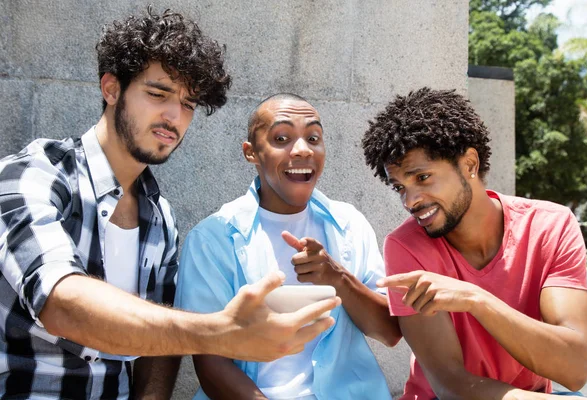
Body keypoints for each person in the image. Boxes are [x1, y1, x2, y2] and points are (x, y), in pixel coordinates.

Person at [0, 9, 339, 400]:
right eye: (158, 94)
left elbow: (155, 357)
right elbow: (61, 302)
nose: (174, 117)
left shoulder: (159, 217)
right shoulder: (33, 175)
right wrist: (220, 333)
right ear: (111, 89)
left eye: (188, 103)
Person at [361, 87, 587, 400]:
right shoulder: (406, 247)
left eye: (423, 178)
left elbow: (575, 368)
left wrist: (476, 299)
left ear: (469, 164)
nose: (410, 200)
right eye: (399, 187)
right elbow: (450, 385)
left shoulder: (550, 226)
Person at [175, 93, 402, 399]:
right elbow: (210, 361)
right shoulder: (213, 238)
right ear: (251, 152)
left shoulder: (349, 224)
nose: (302, 150)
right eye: (281, 138)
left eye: (313, 137)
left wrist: (338, 278)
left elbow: (389, 332)